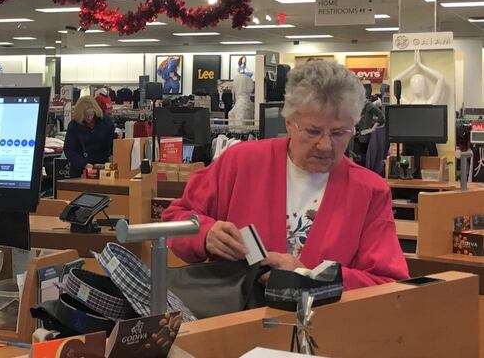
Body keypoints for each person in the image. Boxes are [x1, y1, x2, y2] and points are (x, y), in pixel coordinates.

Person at [163, 60, 408, 290]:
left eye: (339, 133)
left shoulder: (369, 190)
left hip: (323, 328)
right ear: (289, 122)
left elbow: (387, 284)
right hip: (235, 324)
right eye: (312, 132)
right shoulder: (240, 162)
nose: (325, 145)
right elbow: (174, 220)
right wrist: (205, 234)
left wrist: (307, 276)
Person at [64, 95, 115, 178]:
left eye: (91, 114)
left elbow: (113, 142)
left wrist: (112, 158)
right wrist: (83, 164)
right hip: (81, 171)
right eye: (86, 116)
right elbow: (69, 150)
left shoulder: (106, 121)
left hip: (103, 168)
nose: (89, 118)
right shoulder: (74, 125)